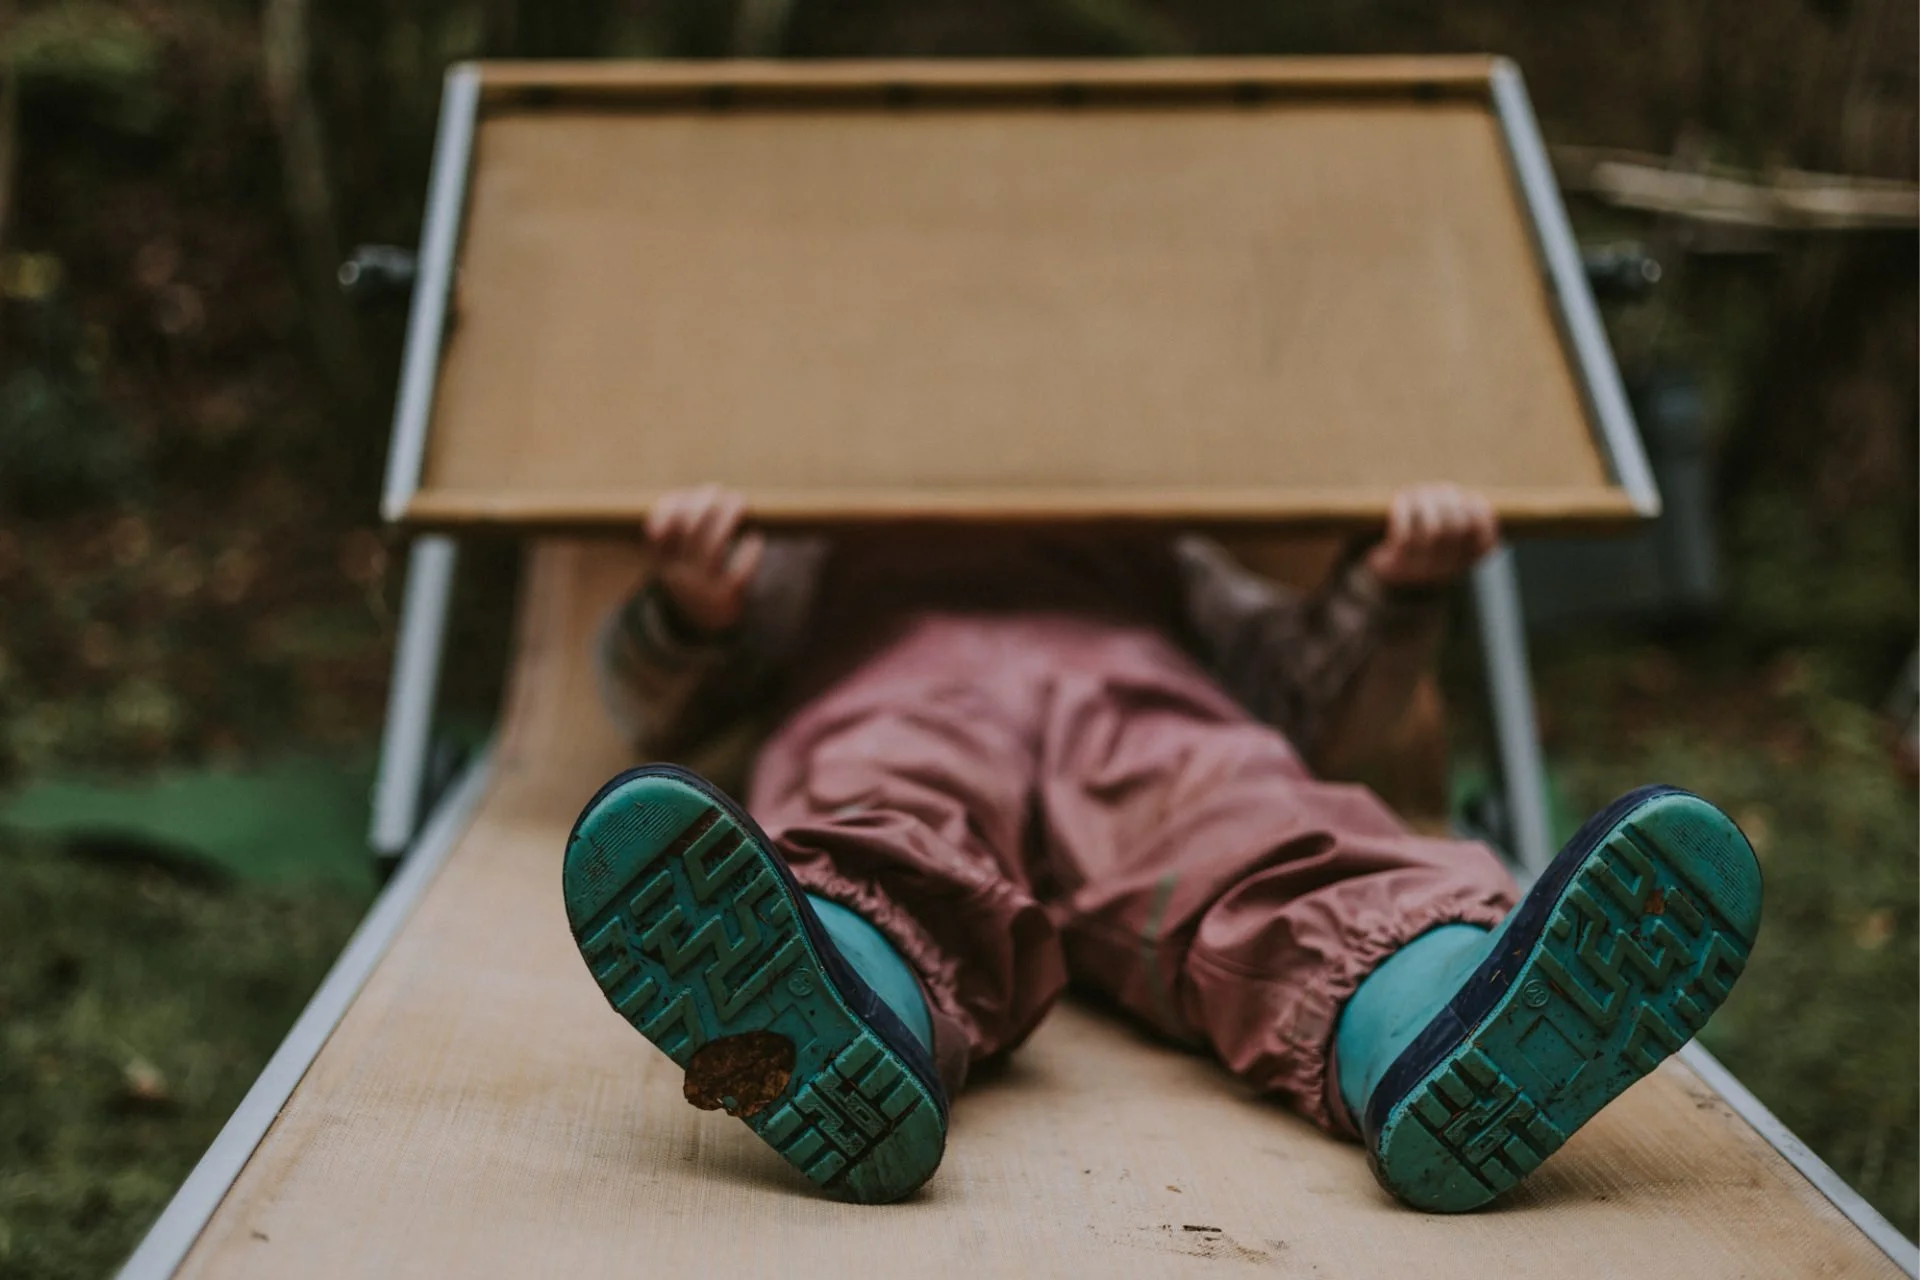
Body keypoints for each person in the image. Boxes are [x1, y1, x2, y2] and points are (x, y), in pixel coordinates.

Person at [560, 484, 1762, 1210]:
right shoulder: (818, 540)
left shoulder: (1166, 538)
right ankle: (839, 982)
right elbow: (653, 701)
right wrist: (692, 607)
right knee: (880, 802)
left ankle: (1429, 1014)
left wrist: (1389, 583)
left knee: (1253, 815)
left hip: (1138, 711)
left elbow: (1308, 699)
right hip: (906, 693)